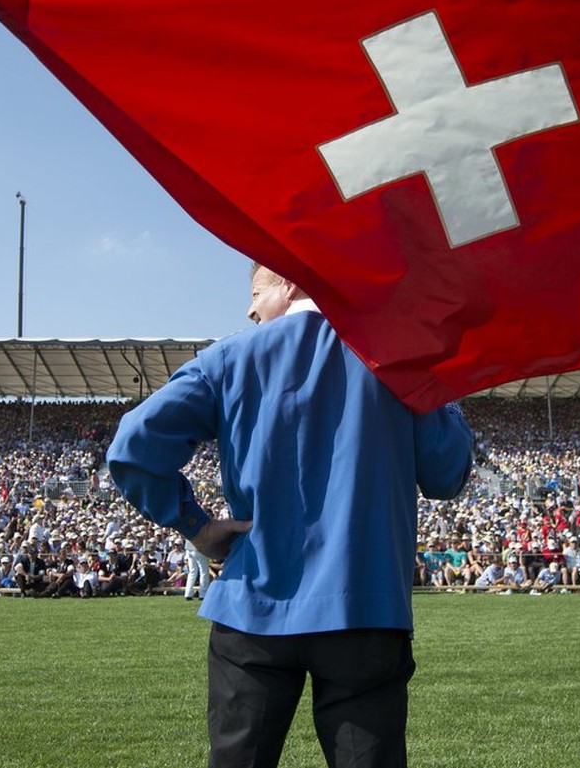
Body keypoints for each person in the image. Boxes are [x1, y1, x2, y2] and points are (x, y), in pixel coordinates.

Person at [107, 263, 473, 768]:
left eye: (257, 291)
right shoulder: (400, 357)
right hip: (362, 610)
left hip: (252, 605)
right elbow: (447, 474)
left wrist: (197, 527)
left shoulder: (228, 358)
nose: (249, 307)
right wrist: (436, 377)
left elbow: (133, 448)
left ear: (293, 282)